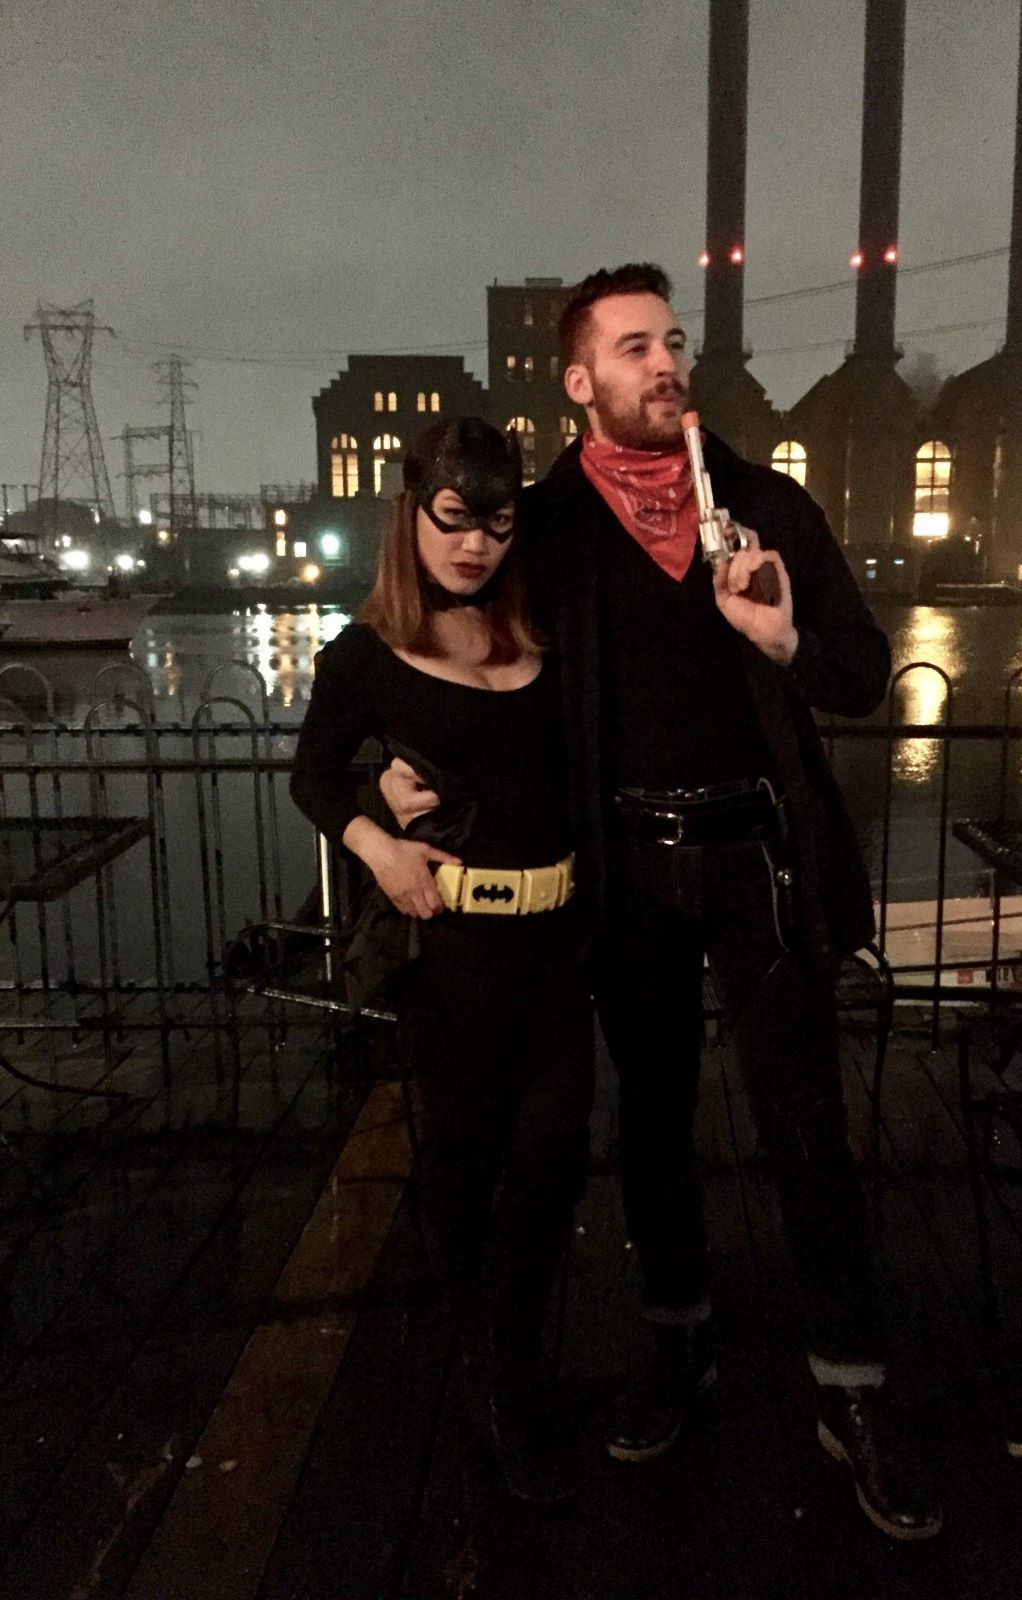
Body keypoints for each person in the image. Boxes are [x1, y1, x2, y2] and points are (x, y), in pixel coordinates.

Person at [384, 266, 940, 1540]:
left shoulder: (764, 506)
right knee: (654, 1124)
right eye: (635, 346)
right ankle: (678, 1344)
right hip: (624, 871)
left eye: (674, 340)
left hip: (761, 861)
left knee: (809, 1124)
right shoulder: (553, 529)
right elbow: (454, 649)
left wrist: (786, 642)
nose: (666, 361)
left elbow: (859, 673)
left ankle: (851, 1390)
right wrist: (392, 773)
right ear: (580, 380)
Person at [290, 417, 594, 1505]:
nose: (474, 545)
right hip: (454, 948)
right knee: (465, 1165)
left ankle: (509, 1360)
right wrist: (374, 839)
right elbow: (314, 776)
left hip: (558, 942)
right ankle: (491, 1370)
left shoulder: (543, 629)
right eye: (452, 519)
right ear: (412, 513)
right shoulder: (366, 651)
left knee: (554, 1152)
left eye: (496, 522)